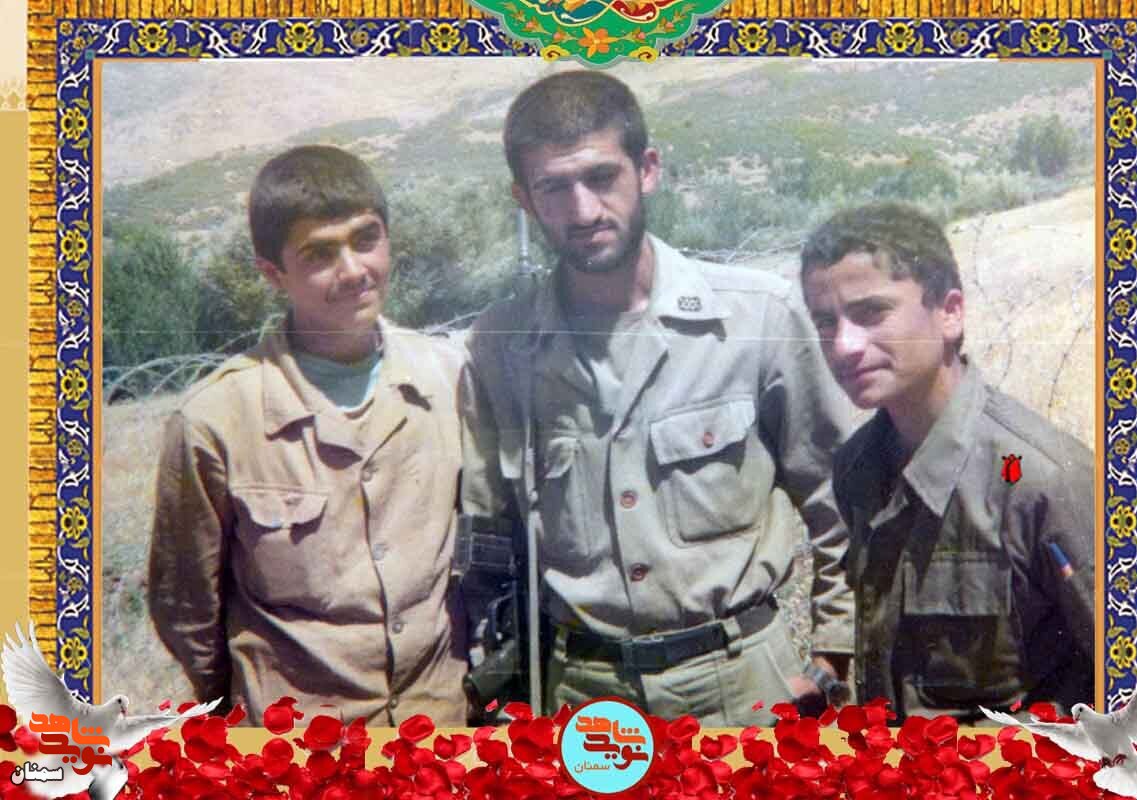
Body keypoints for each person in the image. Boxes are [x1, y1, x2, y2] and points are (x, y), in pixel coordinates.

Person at [457, 71, 854, 726]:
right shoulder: (502, 345)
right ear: (523, 199)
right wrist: (495, 670)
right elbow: (487, 532)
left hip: (745, 684)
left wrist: (834, 653)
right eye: (554, 187)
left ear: (647, 169)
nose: (584, 211)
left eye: (601, 177)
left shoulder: (754, 316)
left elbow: (839, 496)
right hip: (583, 695)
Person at [148, 145, 467, 725]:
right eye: (319, 254)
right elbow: (187, 608)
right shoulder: (216, 420)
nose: (353, 270)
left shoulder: (445, 379)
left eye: (366, 239)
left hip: (437, 730)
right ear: (273, 273)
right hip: (294, 743)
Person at [799, 202, 1095, 721]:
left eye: (871, 313)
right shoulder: (857, 469)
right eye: (826, 322)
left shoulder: (1040, 480)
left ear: (950, 312)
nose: (843, 346)